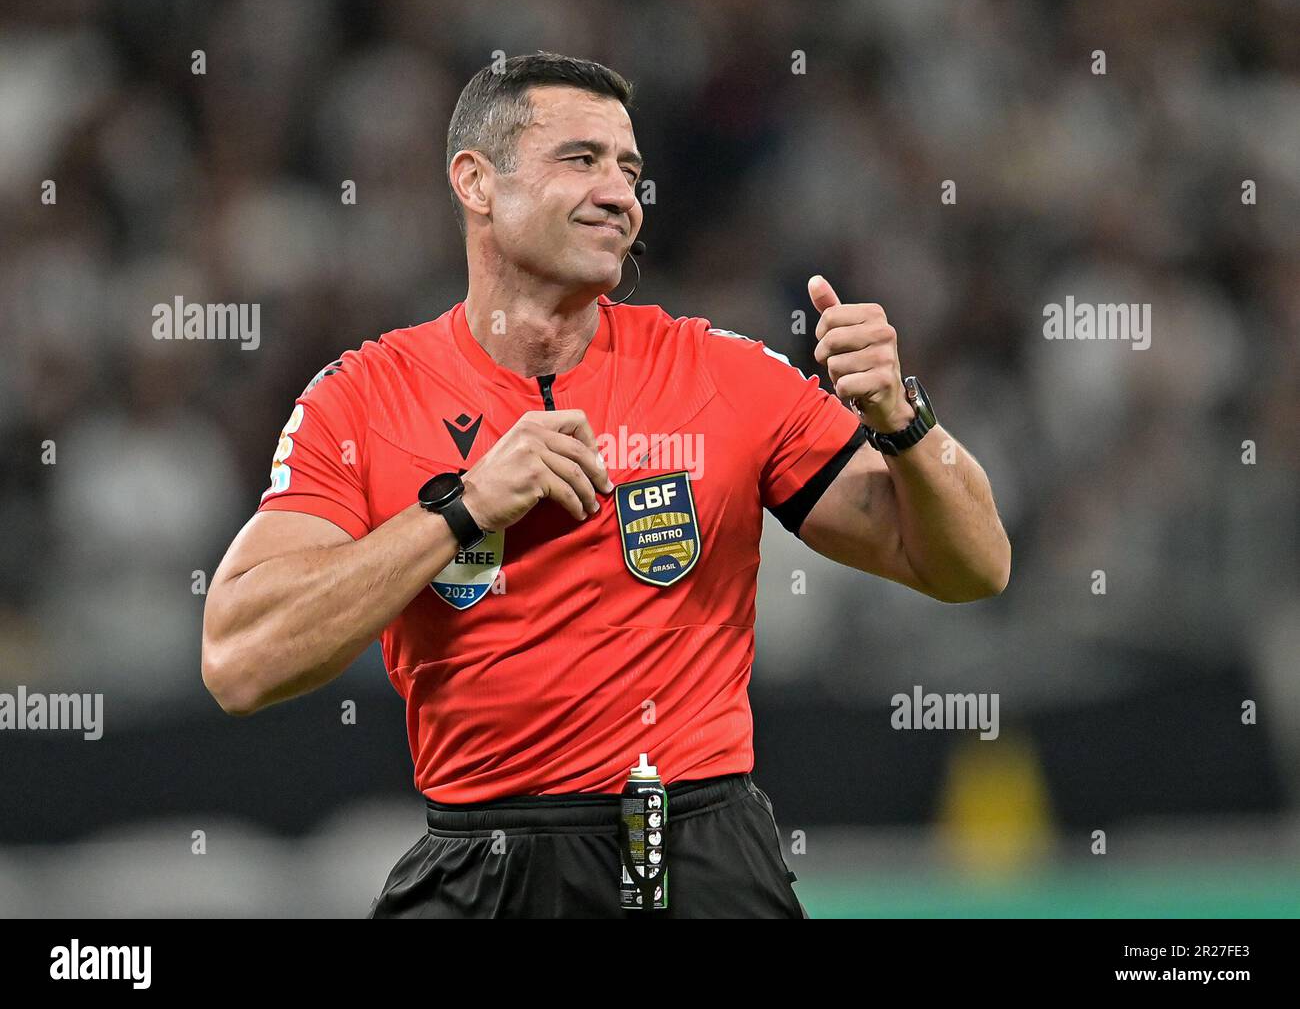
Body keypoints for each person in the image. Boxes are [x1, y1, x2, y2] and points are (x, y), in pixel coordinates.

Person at [200, 51, 1011, 918]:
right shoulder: (363, 397)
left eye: (630, 169)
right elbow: (239, 662)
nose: (621, 193)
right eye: (580, 159)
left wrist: (904, 421)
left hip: (697, 858)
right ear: (475, 182)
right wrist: (463, 507)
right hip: (481, 863)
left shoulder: (723, 373)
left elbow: (974, 567)